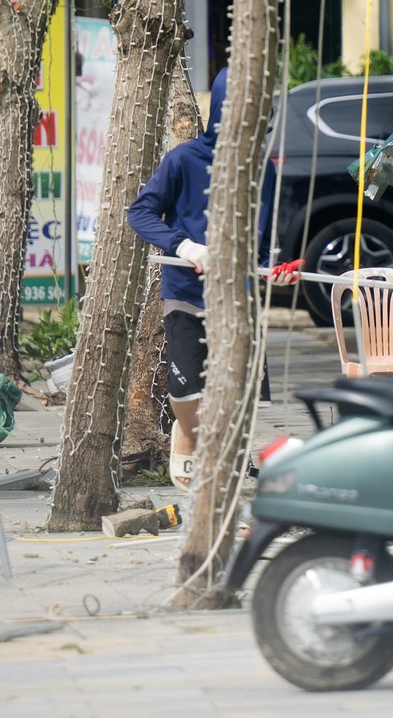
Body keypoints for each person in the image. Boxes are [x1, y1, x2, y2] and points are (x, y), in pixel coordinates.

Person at [126, 69, 275, 491]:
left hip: (239, 298)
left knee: (242, 392)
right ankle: (189, 433)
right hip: (187, 294)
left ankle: (224, 453)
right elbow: (140, 213)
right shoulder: (184, 160)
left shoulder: (261, 169)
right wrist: (185, 247)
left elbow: (265, 235)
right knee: (188, 391)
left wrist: (267, 266)